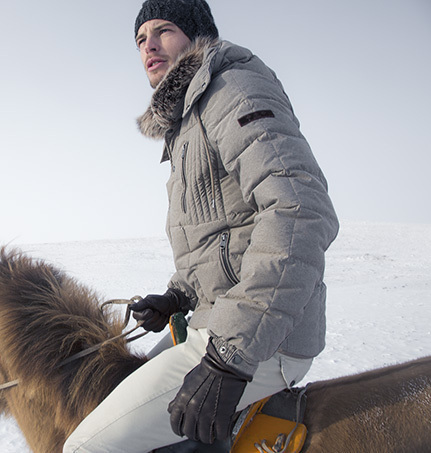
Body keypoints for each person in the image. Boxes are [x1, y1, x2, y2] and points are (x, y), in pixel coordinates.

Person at [63, 0, 339, 451]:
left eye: (164, 30)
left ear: (197, 36)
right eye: (140, 38)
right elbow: (220, 238)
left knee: (83, 448)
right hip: (217, 318)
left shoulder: (232, 88)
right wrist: (176, 295)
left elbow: (300, 209)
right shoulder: (188, 119)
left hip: (265, 338)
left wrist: (231, 358)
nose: (148, 44)